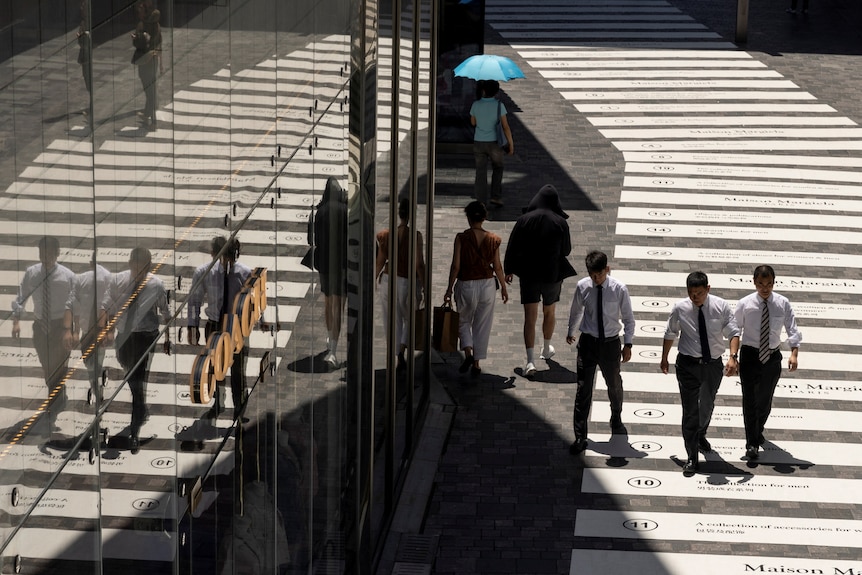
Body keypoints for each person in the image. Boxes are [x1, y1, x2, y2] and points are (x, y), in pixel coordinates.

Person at [660, 271, 739, 477]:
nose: (695, 297)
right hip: (688, 364)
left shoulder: (720, 306)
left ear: (708, 289)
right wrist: (664, 357)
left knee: (706, 404)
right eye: (692, 293)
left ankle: (701, 433)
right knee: (690, 410)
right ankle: (692, 455)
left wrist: (733, 357)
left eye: (700, 293)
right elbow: (670, 332)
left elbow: (733, 332)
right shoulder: (680, 308)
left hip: (712, 364)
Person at [100, 247, 171, 453]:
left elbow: (165, 311)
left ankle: (134, 433)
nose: (138, 272)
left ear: (148, 267)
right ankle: (141, 407)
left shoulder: (156, 285)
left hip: (146, 336)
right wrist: (106, 330)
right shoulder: (118, 281)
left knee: (138, 380)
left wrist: (167, 338)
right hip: (124, 336)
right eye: (135, 267)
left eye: (142, 268)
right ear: (130, 264)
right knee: (129, 371)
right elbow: (105, 304)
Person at [503, 184, 576, 377]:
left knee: (530, 316)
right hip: (552, 275)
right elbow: (567, 250)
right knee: (549, 311)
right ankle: (545, 347)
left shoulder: (524, 220)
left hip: (528, 274)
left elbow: (512, 245)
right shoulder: (560, 222)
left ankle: (529, 361)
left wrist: (508, 269)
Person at [566, 251, 635, 454]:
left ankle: (616, 415)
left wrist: (628, 344)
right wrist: (571, 331)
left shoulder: (619, 289)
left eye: (599, 274)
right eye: (592, 275)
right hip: (588, 342)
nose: (596, 279)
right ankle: (580, 436)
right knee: (583, 389)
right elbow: (576, 310)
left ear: (607, 269)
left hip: (610, 344)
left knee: (613, 383)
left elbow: (629, 319)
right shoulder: (583, 286)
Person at [734, 265, 801, 461]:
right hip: (750, 355)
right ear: (754, 282)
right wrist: (733, 356)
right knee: (750, 399)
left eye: (769, 284)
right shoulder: (745, 304)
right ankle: (752, 443)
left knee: (765, 401)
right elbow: (735, 330)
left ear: (774, 282)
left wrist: (794, 353)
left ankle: (757, 429)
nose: (765, 288)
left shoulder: (782, 303)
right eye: (761, 284)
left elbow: (792, 329)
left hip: (772, 356)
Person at [11, 236, 75, 439]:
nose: (45, 257)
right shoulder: (32, 273)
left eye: (49, 254)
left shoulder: (67, 277)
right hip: (40, 327)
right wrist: (16, 321)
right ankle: (58, 394)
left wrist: (72, 330)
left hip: (60, 326)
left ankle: (53, 406)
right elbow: (21, 297)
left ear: (57, 254)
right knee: (48, 367)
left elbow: (74, 304)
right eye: (42, 253)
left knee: (57, 366)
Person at [187, 237, 252, 420]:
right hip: (214, 324)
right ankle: (218, 402)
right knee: (215, 368)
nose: (226, 263)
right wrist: (193, 325)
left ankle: (239, 407)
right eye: (222, 257)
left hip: (237, 326)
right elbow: (195, 300)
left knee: (238, 371)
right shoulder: (204, 272)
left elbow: (252, 301)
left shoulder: (245, 273)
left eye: (229, 257)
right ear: (214, 254)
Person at [443, 201, 508, 378]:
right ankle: (477, 364)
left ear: (468, 218)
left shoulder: (461, 238)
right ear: (484, 218)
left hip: (466, 284)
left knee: (463, 321)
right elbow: (498, 266)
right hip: (487, 285)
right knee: (482, 324)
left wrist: (449, 289)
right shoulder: (493, 239)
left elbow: (455, 266)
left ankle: (469, 354)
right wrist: (503, 287)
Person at [375, 197, 426, 371]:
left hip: (389, 280)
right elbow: (419, 264)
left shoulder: (386, 235)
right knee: (410, 318)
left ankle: (397, 353)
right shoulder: (415, 236)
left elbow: (380, 262)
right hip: (408, 281)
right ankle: (403, 348)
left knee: (391, 319)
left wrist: (374, 279)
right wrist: (425, 285)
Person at [63, 254, 112, 406]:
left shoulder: (81, 278)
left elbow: (72, 305)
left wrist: (74, 331)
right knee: (97, 359)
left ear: (91, 262)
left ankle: (96, 386)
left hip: (88, 329)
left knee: (90, 361)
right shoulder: (109, 278)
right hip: (101, 327)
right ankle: (98, 384)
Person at [310, 177, 348, 369]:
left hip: (324, 263)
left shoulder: (320, 212)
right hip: (341, 263)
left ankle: (329, 334)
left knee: (328, 301)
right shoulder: (343, 211)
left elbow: (313, 238)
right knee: (339, 304)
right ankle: (333, 346)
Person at [470, 79, 514, 207]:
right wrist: (511, 144)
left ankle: (480, 200)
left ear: (483, 90)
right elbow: (505, 126)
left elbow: (473, 123)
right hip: (495, 143)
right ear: (496, 92)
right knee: (498, 168)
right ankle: (496, 196)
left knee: (480, 172)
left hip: (479, 142)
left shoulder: (475, 105)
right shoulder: (499, 106)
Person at [131, 0, 162, 131]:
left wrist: (136, 38)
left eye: (140, 11)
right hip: (152, 59)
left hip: (146, 60)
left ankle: (152, 120)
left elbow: (142, 44)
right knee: (150, 90)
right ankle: (147, 115)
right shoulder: (155, 25)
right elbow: (159, 43)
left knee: (150, 92)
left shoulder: (144, 25)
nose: (139, 13)